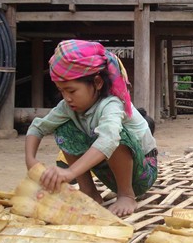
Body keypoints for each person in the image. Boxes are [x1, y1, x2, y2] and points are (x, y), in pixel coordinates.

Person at [25, 40, 158, 217]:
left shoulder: (112, 104)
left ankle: (126, 194)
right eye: (61, 91)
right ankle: (89, 193)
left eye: (71, 91)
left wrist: (69, 172)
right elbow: (38, 127)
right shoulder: (67, 107)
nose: (67, 98)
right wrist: (30, 160)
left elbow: (108, 141)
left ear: (97, 82)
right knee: (64, 129)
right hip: (108, 172)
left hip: (142, 173)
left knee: (114, 135)